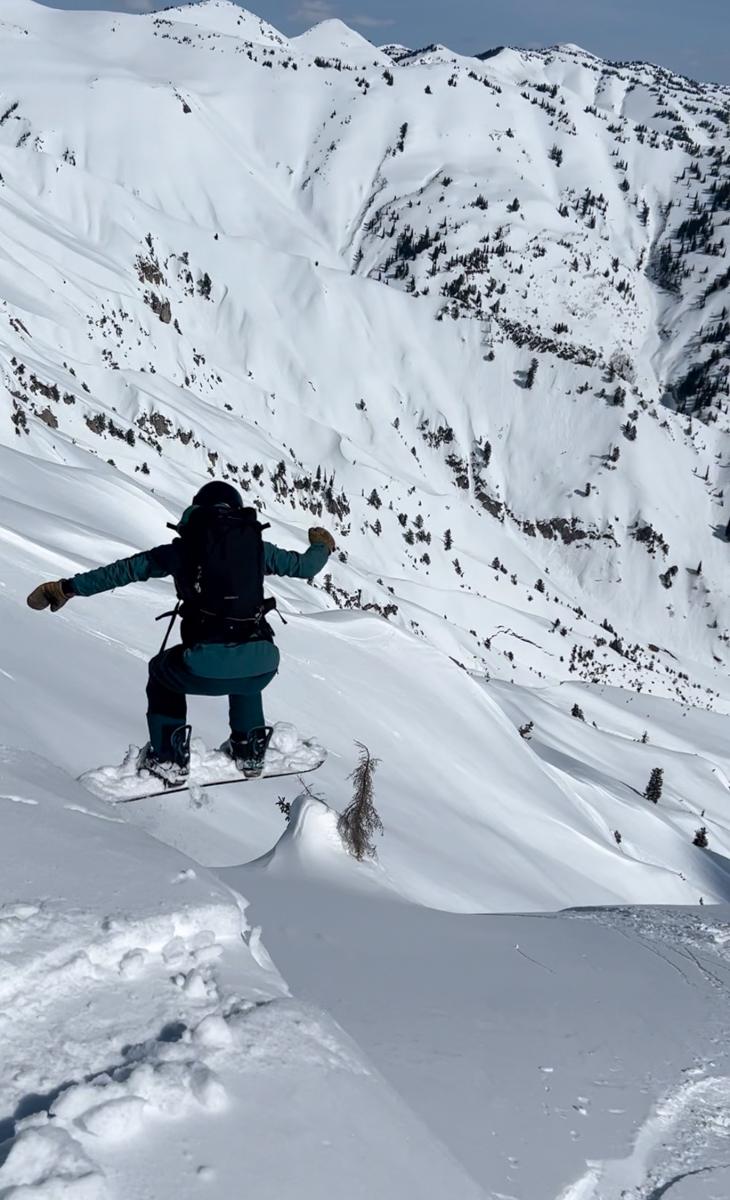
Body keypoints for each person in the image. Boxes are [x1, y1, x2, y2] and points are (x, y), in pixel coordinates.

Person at [27, 481, 335, 781]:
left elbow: (120, 572)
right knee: (245, 658)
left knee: (161, 674)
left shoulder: (182, 550)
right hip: (264, 665)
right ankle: (250, 749)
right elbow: (305, 567)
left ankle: (170, 760)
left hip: (203, 665)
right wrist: (322, 545)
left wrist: (66, 588)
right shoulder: (256, 548)